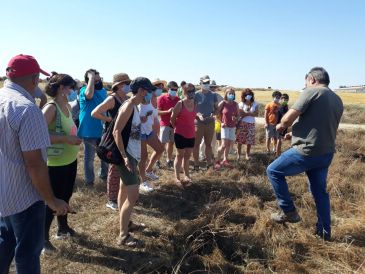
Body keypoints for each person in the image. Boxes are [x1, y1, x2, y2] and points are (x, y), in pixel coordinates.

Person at [0, 54, 70, 274]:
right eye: (38, 79)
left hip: (4, 192)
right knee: (28, 253)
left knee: (5, 242)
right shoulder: (27, 110)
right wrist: (51, 200)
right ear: (33, 79)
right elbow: (35, 164)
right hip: (25, 197)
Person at [267, 67, 343, 241]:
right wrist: (294, 134)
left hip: (307, 151)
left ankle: (288, 211)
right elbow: (320, 125)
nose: (305, 85)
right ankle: (324, 232)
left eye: (306, 82)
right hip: (325, 153)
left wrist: (281, 126)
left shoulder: (311, 92)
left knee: (273, 171)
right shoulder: (337, 99)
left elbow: (287, 119)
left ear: (312, 79)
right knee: (319, 192)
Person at [42, 73, 82, 254]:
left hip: (69, 160)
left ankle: (62, 228)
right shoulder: (51, 108)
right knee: (53, 202)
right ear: (61, 88)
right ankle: (43, 240)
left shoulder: (65, 105)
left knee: (65, 196)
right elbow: (38, 136)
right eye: (70, 87)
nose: (73, 91)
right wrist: (66, 138)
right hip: (55, 164)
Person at [113, 77, 156, 247]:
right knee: (133, 195)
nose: (150, 94)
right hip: (127, 156)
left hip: (132, 155)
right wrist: (124, 157)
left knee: (124, 190)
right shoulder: (129, 106)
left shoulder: (135, 106)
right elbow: (116, 131)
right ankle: (123, 235)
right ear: (141, 90)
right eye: (148, 91)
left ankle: (126, 223)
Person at [91, 73, 131, 210]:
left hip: (125, 135)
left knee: (122, 166)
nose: (128, 86)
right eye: (126, 83)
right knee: (114, 167)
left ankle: (121, 193)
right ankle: (112, 199)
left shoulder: (127, 98)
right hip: (114, 136)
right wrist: (110, 121)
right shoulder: (112, 99)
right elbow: (95, 113)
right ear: (119, 85)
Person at [77, 69, 108, 186]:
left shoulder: (103, 91)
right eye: (96, 80)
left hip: (102, 128)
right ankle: (89, 181)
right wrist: (91, 78)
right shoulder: (85, 90)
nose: (98, 81)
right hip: (89, 130)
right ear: (89, 81)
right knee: (89, 158)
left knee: (105, 155)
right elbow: (89, 95)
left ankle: (104, 175)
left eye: (99, 79)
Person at [138, 87, 164, 193]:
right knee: (143, 157)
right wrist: (143, 118)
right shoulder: (138, 105)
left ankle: (148, 170)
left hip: (150, 132)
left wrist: (155, 131)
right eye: (148, 91)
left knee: (160, 149)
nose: (150, 93)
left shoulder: (151, 103)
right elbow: (136, 120)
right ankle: (143, 182)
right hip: (141, 133)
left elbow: (154, 118)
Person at [170, 83, 197, 186]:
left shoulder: (195, 103)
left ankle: (187, 175)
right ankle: (177, 177)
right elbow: (172, 119)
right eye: (189, 91)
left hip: (191, 133)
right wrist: (176, 128)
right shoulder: (180, 104)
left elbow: (193, 117)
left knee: (187, 156)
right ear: (184, 92)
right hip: (180, 133)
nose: (192, 93)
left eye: (193, 90)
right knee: (179, 155)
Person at [193, 75, 218, 170]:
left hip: (210, 122)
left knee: (208, 144)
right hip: (198, 123)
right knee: (196, 144)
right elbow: (192, 109)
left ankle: (209, 164)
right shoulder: (196, 95)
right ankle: (196, 164)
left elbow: (216, 109)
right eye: (205, 83)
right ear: (200, 83)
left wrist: (214, 113)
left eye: (208, 83)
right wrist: (198, 114)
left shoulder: (213, 95)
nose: (206, 84)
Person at [157, 81, 180, 169]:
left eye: (176, 89)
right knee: (162, 144)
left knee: (171, 143)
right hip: (164, 124)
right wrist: (167, 111)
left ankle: (169, 159)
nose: (174, 91)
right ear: (168, 89)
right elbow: (158, 112)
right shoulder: (162, 98)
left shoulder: (178, 99)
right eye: (172, 89)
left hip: (174, 125)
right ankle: (157, 160)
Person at [214, 87, 238, 169]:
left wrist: (236, 118)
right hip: (225, 126)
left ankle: (225, 160)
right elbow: (216, 114)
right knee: (223, 144)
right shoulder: (223, 103)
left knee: (229, 144)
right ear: (226, 94)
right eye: (229, 93)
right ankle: (217, 161)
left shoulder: (236, 104)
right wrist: (221, 122)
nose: (231, 95)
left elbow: (237, 115)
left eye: (232, 94)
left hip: (232, 127)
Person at [199, 79, 223, 160]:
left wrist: (216, 115)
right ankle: (202, 155)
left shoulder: (217, 96)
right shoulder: (199, 94)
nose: (212, 88)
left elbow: (220, 108)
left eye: (213, 87)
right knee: (203, 140)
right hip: (201, 121)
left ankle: (211, 154)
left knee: (213, 139)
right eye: (211, 87)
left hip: (214, 120)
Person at [236, 88, 258, 160]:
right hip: (242, 123)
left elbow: (256, 114)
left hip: (251, 123)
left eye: (250, 95)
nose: (248, 96)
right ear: (244, 96)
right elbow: (240, 114)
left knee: (249, 140)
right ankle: (238, 155)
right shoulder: (240, 104)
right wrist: (250, 113)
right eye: (247, 95)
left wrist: (246, 113)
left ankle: (247, 155)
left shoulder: (255, 103)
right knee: (240, 140)